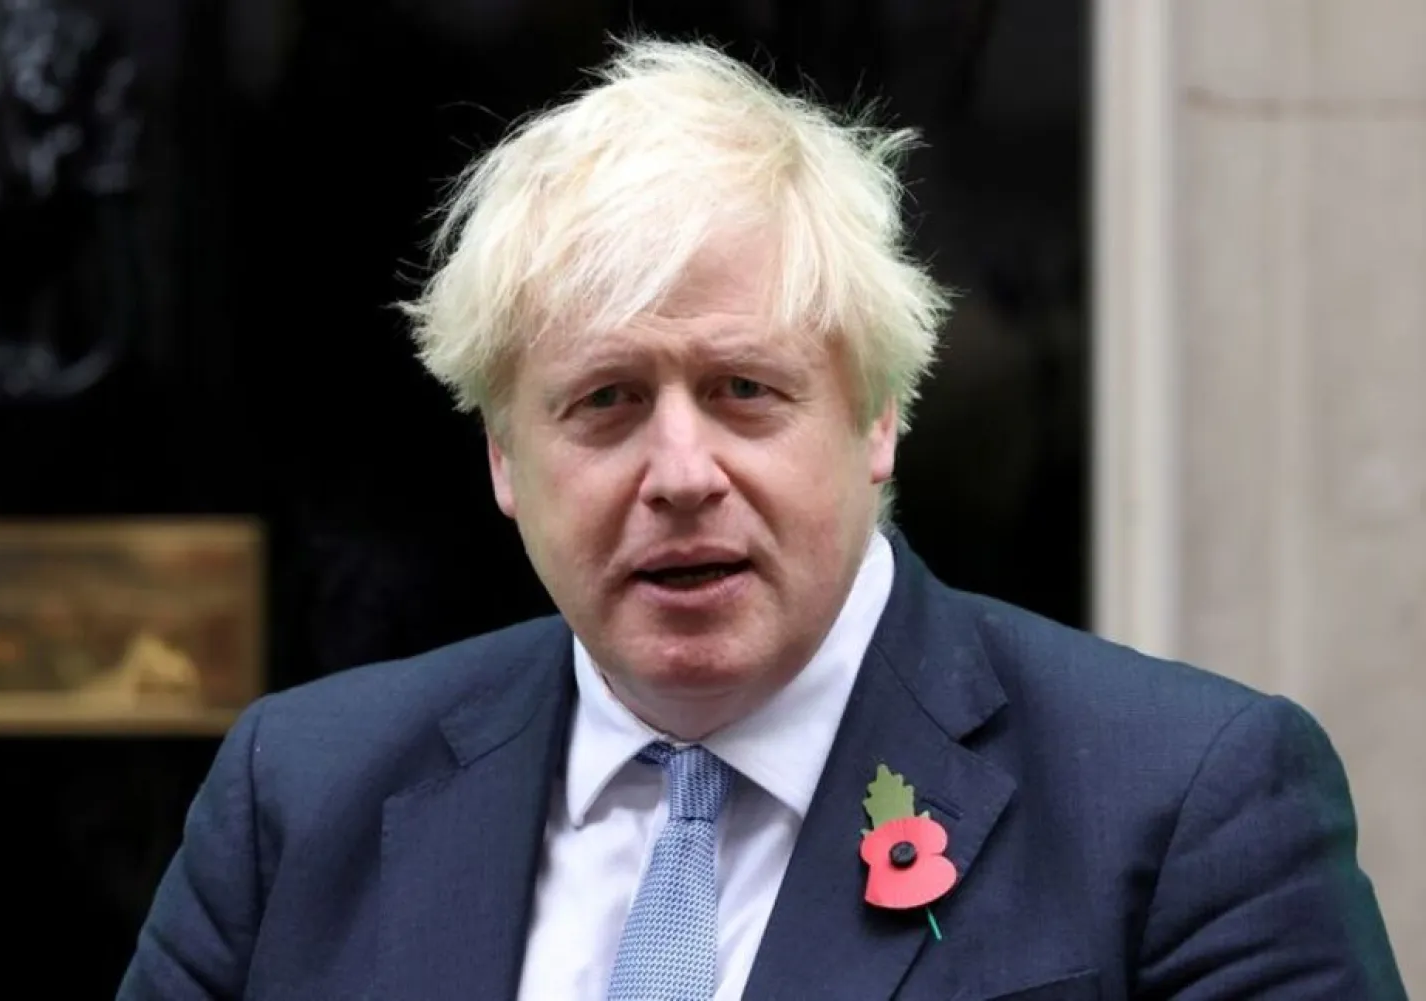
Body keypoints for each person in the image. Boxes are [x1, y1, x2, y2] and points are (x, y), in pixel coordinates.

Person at [118, 38, 1406, 1001]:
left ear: (879, 420)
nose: (680, 470)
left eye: (745, 391)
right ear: (505, 456)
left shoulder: (1190, 805)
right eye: (607, 402)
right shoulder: (300, 797)